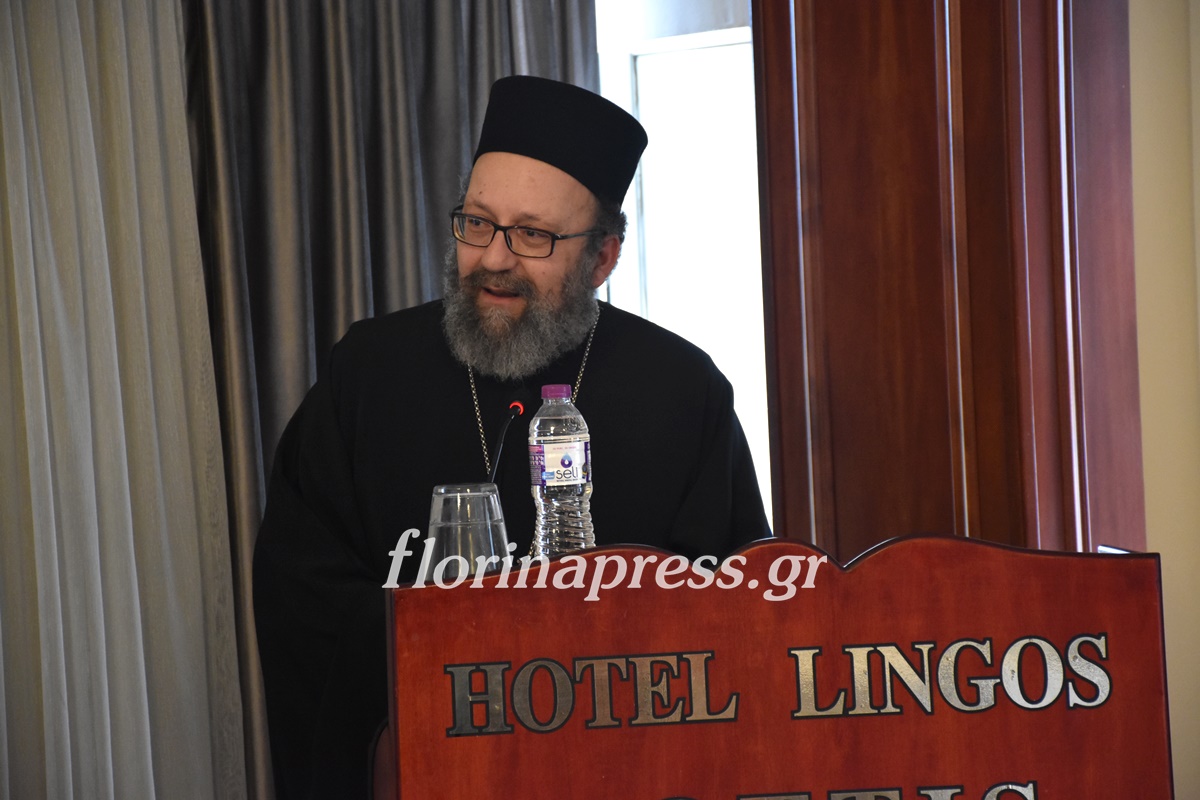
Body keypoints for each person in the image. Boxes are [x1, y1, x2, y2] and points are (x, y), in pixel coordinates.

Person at [253, 74, 771, 799]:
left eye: (533, 235)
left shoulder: (683, 393)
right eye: (477, 223)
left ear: (603, 258)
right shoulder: (368, 373)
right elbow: (300, 593)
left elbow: (733, 615)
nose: (494, 259)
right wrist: (453, 643)